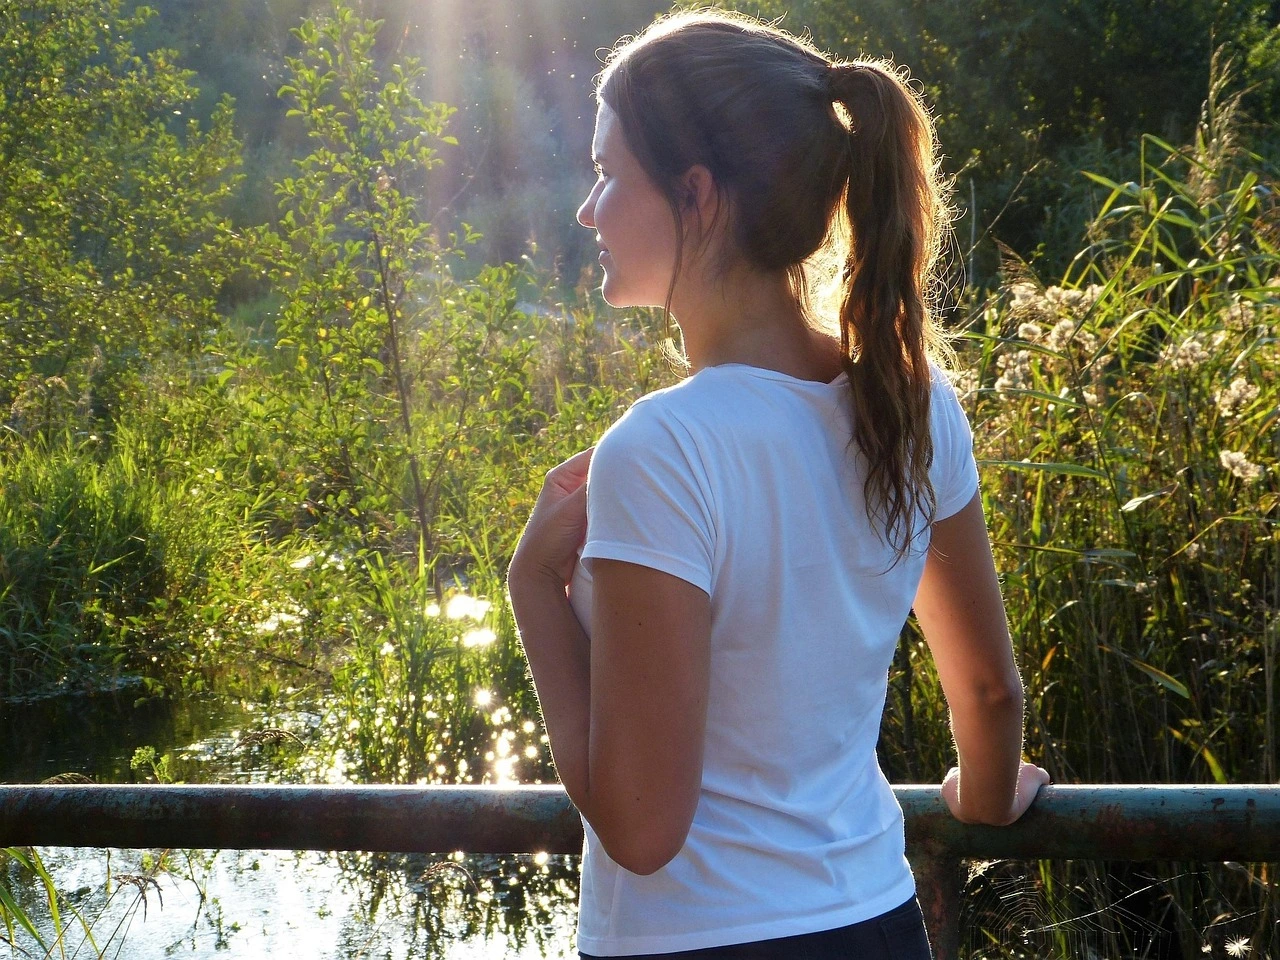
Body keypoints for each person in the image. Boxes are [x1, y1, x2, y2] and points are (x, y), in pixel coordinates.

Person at [507, 9, 1050, 959]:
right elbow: (993, 697)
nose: (588, 209)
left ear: (699, 195)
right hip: (875, 923)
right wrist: (989, 797)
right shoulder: (914, 405)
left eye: (606, 174)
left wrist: (532, 594)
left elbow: (641, 832)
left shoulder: (665, 448)